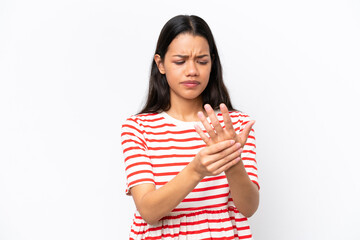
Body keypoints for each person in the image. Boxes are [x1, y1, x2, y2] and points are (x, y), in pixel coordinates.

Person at [121, 15, 259, 240]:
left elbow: (249, 208)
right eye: (180, 61)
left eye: (202, 61)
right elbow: (149, 211)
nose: (192, 70)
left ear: (212, 63)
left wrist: (231, 161)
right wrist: (196, 170)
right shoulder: (138, 128)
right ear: (160, 64)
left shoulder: (236, 126)